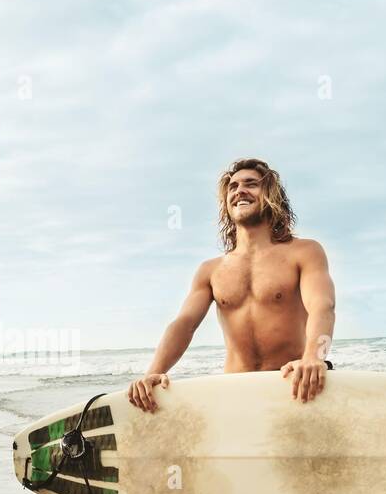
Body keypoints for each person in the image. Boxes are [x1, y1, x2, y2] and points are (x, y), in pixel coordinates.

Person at [127, 158, 336, 412]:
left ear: (271, 195)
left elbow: (322, 307)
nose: (239, 191)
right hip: (235, 390)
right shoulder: (210, 270)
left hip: (292, 386)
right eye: (233, 187)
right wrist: (154, 372)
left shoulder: (304, 252)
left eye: (251, 184)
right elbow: (185, 324)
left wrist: (315, 358)